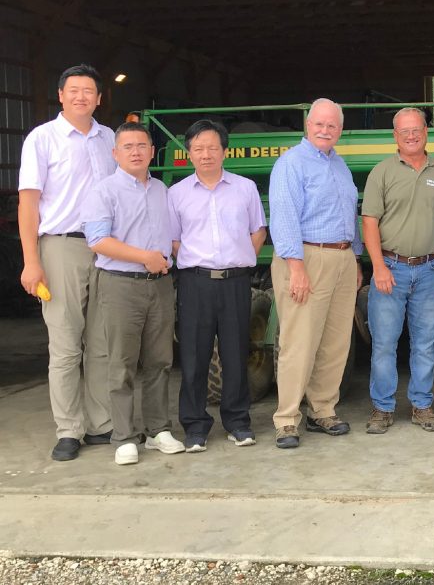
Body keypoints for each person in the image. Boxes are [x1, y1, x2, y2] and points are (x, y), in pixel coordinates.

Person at [18, 63, 116, 462]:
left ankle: (101, 424)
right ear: (61, 95)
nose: (81, 96)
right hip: (60, 247)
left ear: (98, 98)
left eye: (88, 90)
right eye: (73, 90)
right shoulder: (42, 139)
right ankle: (69, 429)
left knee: (101, 342)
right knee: (64, 344)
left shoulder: (109, 137)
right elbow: (29, 203)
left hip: (106, 248)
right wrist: (31, 261)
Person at [82, 123, 185, 465]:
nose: (136, 151)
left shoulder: (160, 189)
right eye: (128, 146)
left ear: (152, 151)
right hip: (120, 283)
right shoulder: (104, 191)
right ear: (116, 153)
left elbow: (171, 235)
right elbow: (98, 240)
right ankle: (124, 436)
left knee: (160, 360)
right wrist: (145, 256)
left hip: (158, 284)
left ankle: (158, 431)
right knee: (122, 362)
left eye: (142, 145)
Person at [168, 120, 267, 452]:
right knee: (194, 356)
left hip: (235, 283)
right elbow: (173, 240)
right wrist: (198, 263)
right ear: (189, 153)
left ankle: (238, 422)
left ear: (225, 151)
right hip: (195, 284)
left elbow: (258, 231)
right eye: (198, 148)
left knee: (235, 353)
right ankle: (195, 427)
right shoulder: (177, 193)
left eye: (212, 147)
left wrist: (238, 259)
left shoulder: (244, 188)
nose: (206, 154)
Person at [268, 98, 362, 449]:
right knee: (300, 341)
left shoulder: (340, 165)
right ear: (308, 126)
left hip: (340, 257)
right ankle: (287, 419)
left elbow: (348, 213)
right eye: (319, 124)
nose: (325, 130)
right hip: (306, 257)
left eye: (332, 125)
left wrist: (353, 258)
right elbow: (284, 215)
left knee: (335, 341)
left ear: (340, 130)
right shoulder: (291, 163)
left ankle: (322, 409)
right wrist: (296, 267)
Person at [362, 107, 434, 434]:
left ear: (426, 132)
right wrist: (378, 267)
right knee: (385, 343)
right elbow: (369, 222)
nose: (412, 136)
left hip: (429, 269)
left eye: (417, 130)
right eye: (405, 132)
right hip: (390, 268)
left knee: (425, 342)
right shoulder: (382, 172)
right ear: (395, 137)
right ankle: (382, 408)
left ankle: (421, 405)